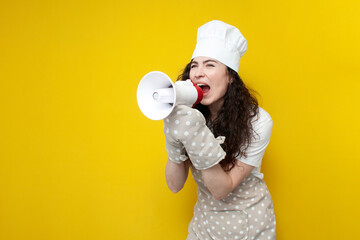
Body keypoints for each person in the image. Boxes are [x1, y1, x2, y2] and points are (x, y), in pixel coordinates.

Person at [164, 20, 276, 240]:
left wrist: (195, 133)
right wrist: (173, 134)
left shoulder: (258, 121)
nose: (198, 73)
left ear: (230, 75)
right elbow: (175, 185)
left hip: (250, 224)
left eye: (210, 64)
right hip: (204, 224)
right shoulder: (190, 116)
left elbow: (221, 189)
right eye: (194, 66)